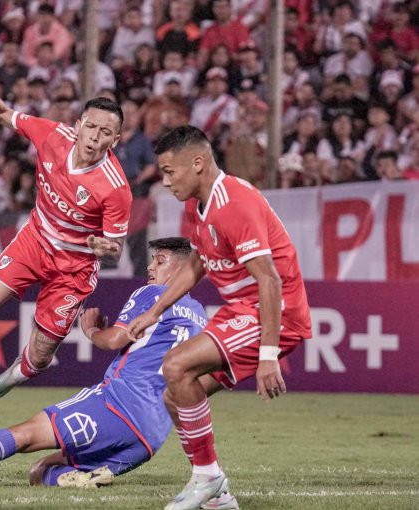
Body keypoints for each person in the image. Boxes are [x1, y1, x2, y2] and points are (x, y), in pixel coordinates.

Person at [0, 238, 236, 507]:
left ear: (182, 269)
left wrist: (90, 330)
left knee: (23, 434)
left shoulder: (153, 294)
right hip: (149, 438)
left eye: (160, 261)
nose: (151, 269)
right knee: (40, 472)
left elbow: (114, 340)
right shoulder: (200, 316)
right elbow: (205, 381)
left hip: (118, 404)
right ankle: (72, 477)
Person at [128, 126, 311, 510]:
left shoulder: (235, 204)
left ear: (197, 163)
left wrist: (268, 356)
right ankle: (218, 496)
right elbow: (198, 262)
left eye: (168, 171)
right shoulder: (199, 203)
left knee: (175, 365)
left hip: (272, 311)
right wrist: (155, 311)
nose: (164, 181)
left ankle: (207, 478)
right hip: (241, 310)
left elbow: (270, 280)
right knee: (175, 396)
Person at [0, 80, 133, 400]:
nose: (95, 136)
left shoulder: (115, 187)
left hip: (75, 267)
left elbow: (116, 247)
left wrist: (103, 247)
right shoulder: (52, 134)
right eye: (91, 126)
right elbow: (3, 114)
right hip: (36, 240)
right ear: (78, 125)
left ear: (116, 140)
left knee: (40, 355)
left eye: (105, 132)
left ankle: (12, 375)